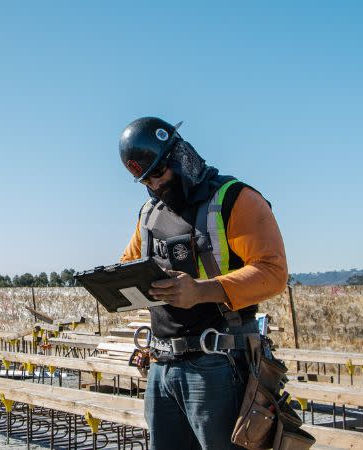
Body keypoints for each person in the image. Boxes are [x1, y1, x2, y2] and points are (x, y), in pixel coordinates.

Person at [118, 117, 288, 449]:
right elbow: (129, 265)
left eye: (158, 173)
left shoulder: (235, 199)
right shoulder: (149, 214)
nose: (154, 185)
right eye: (145, 180)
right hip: (162, 364)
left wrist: (200, 291)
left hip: (218, 361)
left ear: (181, 156)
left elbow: (273, 272)